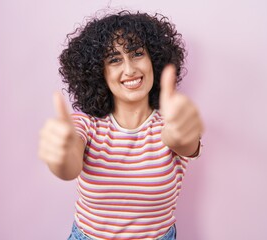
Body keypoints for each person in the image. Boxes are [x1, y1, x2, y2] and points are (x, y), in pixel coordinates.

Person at [38, 10, 204, 240]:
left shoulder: (174, 121)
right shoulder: (86, 125)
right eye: (115, 59)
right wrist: (62, 154)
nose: (130, 69)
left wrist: (184, 135)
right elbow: (69, 166)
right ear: (99, 72)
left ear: (154, 60)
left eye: (137, 54)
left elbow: (183, 140)